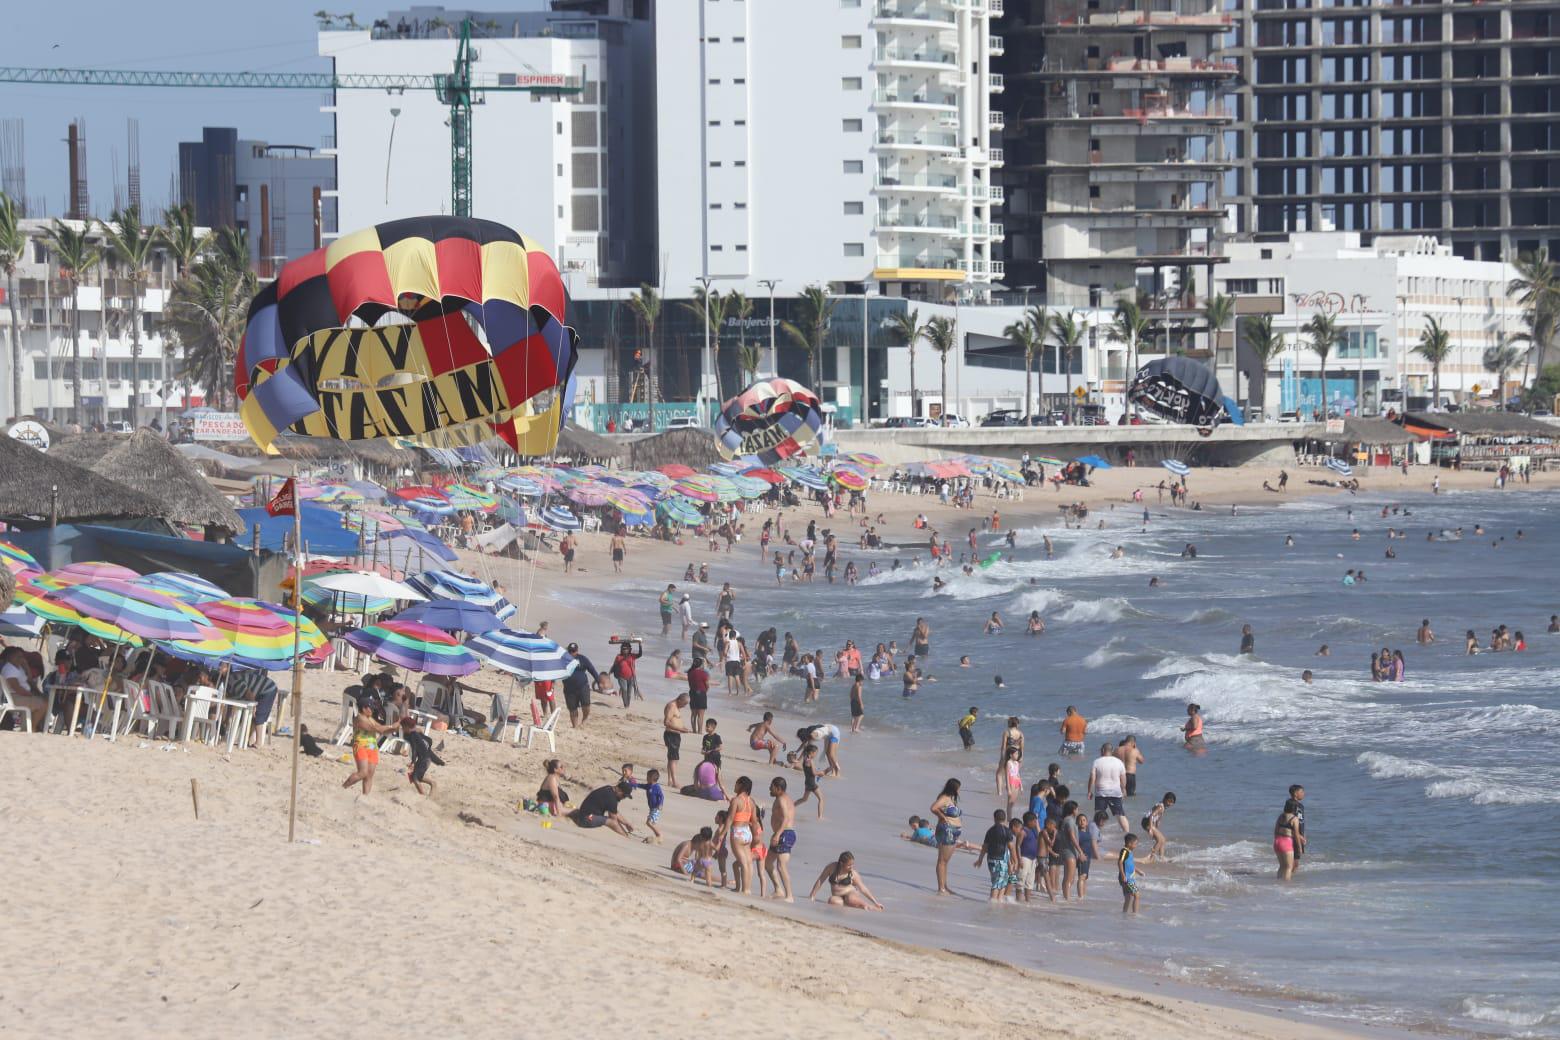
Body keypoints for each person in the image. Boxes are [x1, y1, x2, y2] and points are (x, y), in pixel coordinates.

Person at [342, 698, 399, 795]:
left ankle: (365, 797)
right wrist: (392, 726)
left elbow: (382, 730)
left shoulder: (370, 718)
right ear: (364, 709)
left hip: (373, 748)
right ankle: (342, 789)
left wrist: (396, 728)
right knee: (362, 773)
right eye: (371, 708)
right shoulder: (359, 718)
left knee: (369, 775)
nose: (372, 710)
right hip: (361, 746)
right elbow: (376, 729)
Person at [808, 851, 883, 910]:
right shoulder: (831, 868)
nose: (852, 867)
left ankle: (870, 907)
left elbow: (863, 888)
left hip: (851, 893)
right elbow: (820, 880)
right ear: (841, 863)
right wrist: (812, 895)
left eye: (852, 864)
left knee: (850, 899)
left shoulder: (853, 873)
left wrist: (875, 902)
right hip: (838, 896)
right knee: (832, 901)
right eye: (849, 865)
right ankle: (848, 906)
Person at [725, 776, 760, 895]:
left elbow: (729, 819)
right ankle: (747, 888)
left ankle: (745, 889)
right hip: (747, 833)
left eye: (736, 783)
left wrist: (721, 834)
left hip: (738, 832)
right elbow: (755, 822)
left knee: (743, 862)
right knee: (748, 862)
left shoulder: (736, 800)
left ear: (741, 785)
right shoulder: (751, 802)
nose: (734, 786)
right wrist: (756, 837)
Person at [0, 645, 47, 731]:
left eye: (22, 656)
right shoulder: (9, 669)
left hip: (19, 695)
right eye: (19, 656)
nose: (21, 658)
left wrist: (26, 666)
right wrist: (30, 695)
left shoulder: (18, 667)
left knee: (43, 700)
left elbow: (29, 679)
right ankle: (32, 727)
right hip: (14, 697)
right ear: (11, 657)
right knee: (43, 704)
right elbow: (16, 688)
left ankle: (29, 727)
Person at [561, 642, 606, 728]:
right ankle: (575, 726)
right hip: (569, 689)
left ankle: (584, 719)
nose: (572, 653)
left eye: (573, 651)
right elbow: (556, 670)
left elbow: (592, 670)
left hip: (583, 687)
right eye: (570, 651)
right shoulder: (563, 659)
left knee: (586, 705)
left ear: (577, 651)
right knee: (572, 708)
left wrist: (598, 682)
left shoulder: (583, 659)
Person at [1087, 742, 1129, 835]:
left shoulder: (1097, 762)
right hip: (1115, 793)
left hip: (1101, 792)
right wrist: (1124, 789)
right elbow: (1123, 778)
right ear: (1112, 751)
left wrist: (1089, 791)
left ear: (1102, 750)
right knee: (1120, 815)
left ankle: (1097, 835)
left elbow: (1092, 778)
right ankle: (1127, 835)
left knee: (1099, 815)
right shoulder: (1119, 762)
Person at [766, 776, 797, 902]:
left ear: (778, 789)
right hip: (780, 834)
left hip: (785, 834)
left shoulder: (782, 799)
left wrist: (778, 834)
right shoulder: (783, 798)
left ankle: (789, 896)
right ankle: (778, 889)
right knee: (768, 863)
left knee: (781, 865)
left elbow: (785, 818)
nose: (769, 789)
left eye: (772, 787)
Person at [930, 778, 963, 895]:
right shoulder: (944, 798)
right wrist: (942, 816)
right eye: (958, 788)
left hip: (954, 831)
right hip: (947, 831)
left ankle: (945, 885)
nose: (959, 790)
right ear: (953, 788)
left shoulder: (951, 799)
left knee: (946, 861)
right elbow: (933, 808)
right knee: (942, 860)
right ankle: (941, 888)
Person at [973, 809, 1014, 903]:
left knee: (1000, 881)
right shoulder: (1007, 831)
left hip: (991, 859)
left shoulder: (990, 831)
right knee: (998, 883)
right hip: (1000, 860)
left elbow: (985, 847)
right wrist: (1015, 861)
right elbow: (1011, 848)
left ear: (994, 818)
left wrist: (980, 860)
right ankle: (993, 904)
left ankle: (999, 902)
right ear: (1005, 818)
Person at [571, 781, 636, 837]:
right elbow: (613, 820)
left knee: (610, 819)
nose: (623, 798)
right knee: (612, 821)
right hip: (586, 819)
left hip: (583, 815)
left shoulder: (608, 788)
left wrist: (626, 823)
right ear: (618, 789)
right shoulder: (611, 798)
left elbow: (614, 811)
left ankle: (625, 835)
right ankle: (625, 837)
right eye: (623, 795)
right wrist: (625, 835)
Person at [401, 717, 444, 795]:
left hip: (424, 759)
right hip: (425, 758)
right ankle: (431, 784)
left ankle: (423, 796)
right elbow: (429, 740)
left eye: (403, 727)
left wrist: (413, 762)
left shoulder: (413, 735)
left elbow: (414, 749)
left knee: (415, 778)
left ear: (407, 727)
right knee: (415, 776)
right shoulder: (416, 734)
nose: (402, 729)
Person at [661, 693, 692, 788]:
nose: (685, 706)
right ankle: (674, 781)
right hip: (671, 735)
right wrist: (680, 729)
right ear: (680, 700)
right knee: (673, 758)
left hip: (675, 734)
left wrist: (683, 728)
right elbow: (666, 722)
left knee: (672, 758)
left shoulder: (676, 706)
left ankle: (670, 780)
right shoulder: (672, 706)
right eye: (684, 704)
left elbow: (675, 720)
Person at [1274, 797, 1304, 881]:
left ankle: (1278, 882)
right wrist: (1299, 848)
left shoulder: (1281, 816)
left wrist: (1277, 841)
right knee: (1288, 867)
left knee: (1282, 866)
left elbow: (1275, 831)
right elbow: (1297, 835)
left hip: (1277, 841)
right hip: (1287, 842)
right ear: (1294, 808)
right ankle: (1286, 886)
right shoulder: (1294, 819)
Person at [1140, 792, 1175, 862]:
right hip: (1147, 822)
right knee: (1159, 840)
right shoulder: (1160, 807)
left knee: (1163, 840)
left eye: (1172, 802)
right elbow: (1152, 815)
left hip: (1149, 822)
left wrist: (1156, 826)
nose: (1170, 804)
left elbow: (1158, 818)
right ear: (1165, 799)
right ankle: (1151, 858)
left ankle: (1161, 858)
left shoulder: (1163, 806)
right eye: (1169, 801)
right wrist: (1150, 828)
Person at [794, 743, 825, 819]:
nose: (816, 755)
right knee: (821, 798)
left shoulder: (805, 760)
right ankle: (820, 817)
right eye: (816, 753)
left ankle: (791, 806)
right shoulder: (810, 761)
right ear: (811, 753)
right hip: (811, 783)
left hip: (807, 782)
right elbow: (814, 773)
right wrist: (820, 773)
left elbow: (810, 771)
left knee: (804, 799)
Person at [610, 639, 643, 708]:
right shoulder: (618, 657)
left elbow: (640, 654)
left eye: (626, 649)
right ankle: (625, 705)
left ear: (629, 649)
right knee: (624, 690)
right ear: (621, 649)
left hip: (631, 677)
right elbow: (614, 666)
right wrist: (609, 673)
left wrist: (640, 645)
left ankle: (627, 705)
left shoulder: (632, 656)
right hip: (621, 677)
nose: (625, 650)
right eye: (623, 649)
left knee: (629, 692)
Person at [1118, 833, 1142, 913]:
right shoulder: (1125, 851)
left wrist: (1138, 871)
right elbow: (1120, 862)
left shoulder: (1129, 852)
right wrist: (1123, 875)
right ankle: (1135, 914)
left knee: (1128, 897)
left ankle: (1124, 913)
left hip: (1128, 878)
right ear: (1129, 843)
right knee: (1137, 895)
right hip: (1127, 878)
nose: (1136, 846)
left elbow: (1130, 865)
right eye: (1135, 844)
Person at [686, 655, 710, 732]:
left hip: (692, 692)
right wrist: (706, 691)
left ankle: (694, 730)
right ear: (700, 664)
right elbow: (707, 685)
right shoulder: (703, 673)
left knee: (693, 714)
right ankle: (699, 731)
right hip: (701, 693)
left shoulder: (690, 672)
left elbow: (690, 683)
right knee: (701, 715)